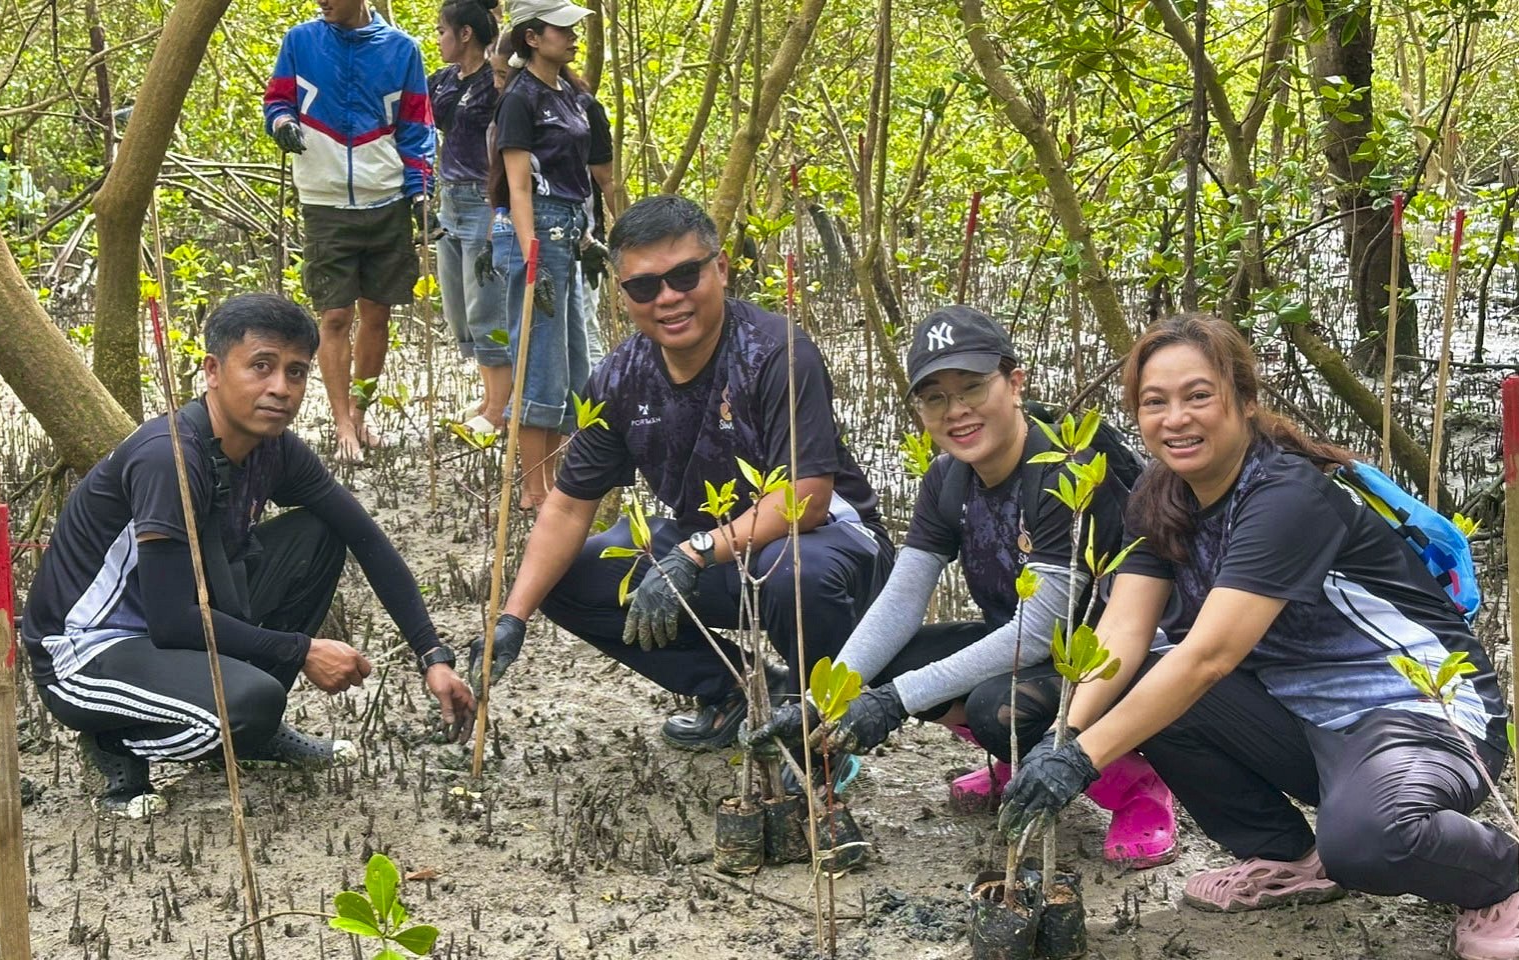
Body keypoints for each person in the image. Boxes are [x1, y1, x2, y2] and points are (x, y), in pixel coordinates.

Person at [999, 314, 1516, 960]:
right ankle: (1289, 860)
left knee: (1364, 841)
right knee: (1141, 683)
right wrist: (1063, 739)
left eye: (1198, 396)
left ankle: (1503, 877)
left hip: (1422, 712)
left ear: (1244, 400)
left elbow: (1209, 657)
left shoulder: (1286, 492)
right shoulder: (1162, 497)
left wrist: (1083, 761)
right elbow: (1123, 635)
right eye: (1155, 403)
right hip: (1307, 721)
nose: (1176, 419)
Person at [746, 305, 1178, 868]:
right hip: (1031, 651)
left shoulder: (1063, 471)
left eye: (972, 388)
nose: (957, 411)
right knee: (895, 662)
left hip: (1110, 662)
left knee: (995, 706)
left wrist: (894, 704)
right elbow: (900, 603)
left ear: (1015, 382)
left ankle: (1135, 787)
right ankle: (1019, 763)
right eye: (935, 398)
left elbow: (1042, 629)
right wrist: (822, 702)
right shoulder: (948, 479)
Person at [22, 294, 474, 818]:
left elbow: (365, 538)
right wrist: (301, 649)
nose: (281, 388)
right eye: (261, 366)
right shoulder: (169, 457)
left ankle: (250, 734)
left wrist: (432, 657)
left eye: (296, 372)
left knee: (320, 532)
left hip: (172, 626)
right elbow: (171, 622)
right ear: (213, 370)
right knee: (252, 702)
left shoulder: (274, 448)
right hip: (86, 654)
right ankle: (118, 740)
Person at [470, 195, 893, 750]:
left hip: (826, 545)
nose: (668, 298)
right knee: (567, 579)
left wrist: (693, 553)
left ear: (720, 269)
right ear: (622, 295)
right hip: (711, 546)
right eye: (645, 287)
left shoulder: (777, 353)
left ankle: (819, 726)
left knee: (796, 573)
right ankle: (737, 692)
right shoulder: (619, 376)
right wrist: (513, 618)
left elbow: (805, 500)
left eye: (685, 275)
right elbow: (571, 504)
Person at [263, 0, 436, 463]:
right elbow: (277, 100)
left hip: (387, 198)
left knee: (378, 314)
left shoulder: (403, 50)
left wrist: (422, 191)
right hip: (323, 199)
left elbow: (417, 126)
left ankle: (361, 412)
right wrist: (282, 123)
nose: (321, 2)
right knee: (335, 316)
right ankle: (341, 421)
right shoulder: (300, 41)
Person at [490, 0, 605, 506]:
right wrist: (529, 246)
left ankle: (551, 482)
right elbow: (517, 185)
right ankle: (533, 490)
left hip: (568, 233)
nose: (573, 36)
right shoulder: (520, 98)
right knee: (540, 363)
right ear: (532, 37)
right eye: (562, 29)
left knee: (572, 365)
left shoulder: (568, 94)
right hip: (537, 232)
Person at [431, 0, 512, 435]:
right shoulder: (442, 81)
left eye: (443, 30)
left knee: (487, 304)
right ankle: (489, 396)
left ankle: (499, 408)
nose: (438, 39)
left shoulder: (495, 81)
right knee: (459, 308)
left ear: (465, 34)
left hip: (484, 199)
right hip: (449, 200)